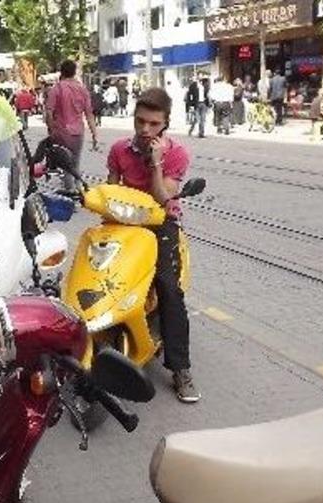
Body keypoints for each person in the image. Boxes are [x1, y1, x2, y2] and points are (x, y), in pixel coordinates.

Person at [105, 88, 200, 403]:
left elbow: (163, 197)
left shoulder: (176, 154)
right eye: (140, 121)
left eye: (153, 124)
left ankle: (180, 369)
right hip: (123, 222)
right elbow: (110, 188)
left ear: (165, 123)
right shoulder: (119, 149)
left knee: (170, 289)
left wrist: (156, 164)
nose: (145, 129)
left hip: (161, 224)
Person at [44, 59, 99, 189]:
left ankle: (70, 193)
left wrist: (51, 130)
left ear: (61, 72)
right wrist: (94, 134)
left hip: (61, 132)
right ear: (74, 72)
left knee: (66, 166)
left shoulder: (56, 89)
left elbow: (49, 113)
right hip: (78, 132)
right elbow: (89, 114)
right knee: (76, 163)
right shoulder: (82, 89)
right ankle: (78, 188)